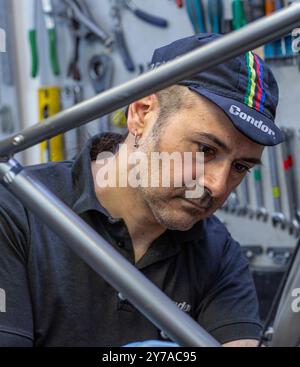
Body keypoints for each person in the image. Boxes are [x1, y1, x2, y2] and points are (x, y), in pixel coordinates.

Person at [0, 33, 284, 347]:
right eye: (205, 149)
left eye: (240, 167)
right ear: (141, 113)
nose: (217, 186)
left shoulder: (219, 253)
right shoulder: (18, 211)